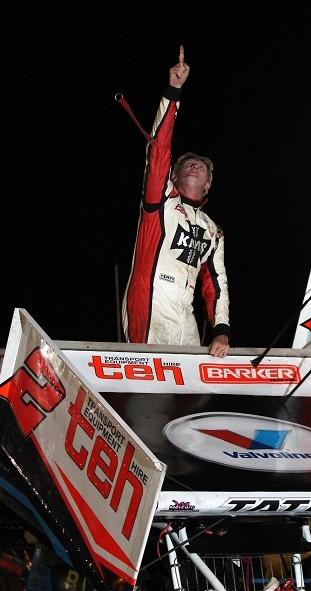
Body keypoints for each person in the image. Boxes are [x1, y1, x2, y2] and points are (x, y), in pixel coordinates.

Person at [121, 46, 230, 358]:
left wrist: (221, 329)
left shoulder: (214, 231)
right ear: (174, 175)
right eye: (187, 162)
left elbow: (216, 285)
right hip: (149, 306)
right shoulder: (161, 199)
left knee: (186, 399)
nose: (194, 163)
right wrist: (174, 91)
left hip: (185, 318)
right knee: (144, 394)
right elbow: (158, 150)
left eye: (201, 164)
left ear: (208, 182)